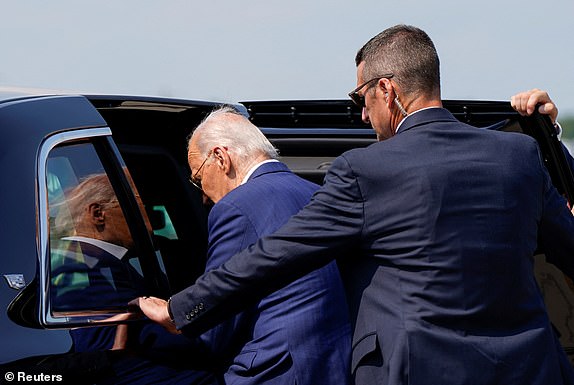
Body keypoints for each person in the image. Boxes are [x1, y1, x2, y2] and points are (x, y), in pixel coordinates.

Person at [134, 25, 574, 385]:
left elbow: (278, 253)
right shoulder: (519, 157)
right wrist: (550, 143)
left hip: (414, 372)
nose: (362, 115)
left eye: (359, 98)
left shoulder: (366, 170)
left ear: (387, 90)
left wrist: (182, 308)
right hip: (529, 370)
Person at [138, 106, 351, 384]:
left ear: (220, 157)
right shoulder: (317, 193)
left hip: (273, 373)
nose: (202, 196)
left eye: (198, 178)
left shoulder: (235, 207)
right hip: (337, 368)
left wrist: (143, 334)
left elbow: (215, 329)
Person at [52, 173, 218, 384]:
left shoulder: (91, 260)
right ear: (98, 214)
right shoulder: (78, 265)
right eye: (143, 209)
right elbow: (113, 344)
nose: (152, 226)